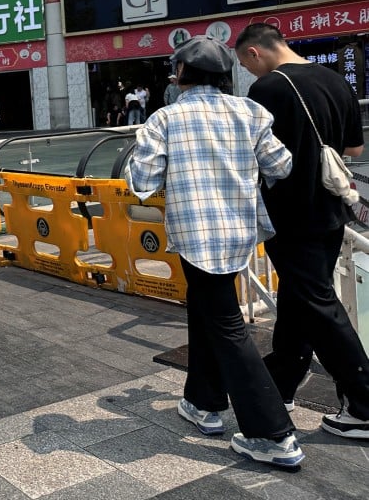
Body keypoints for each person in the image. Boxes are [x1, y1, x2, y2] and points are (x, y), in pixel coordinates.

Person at [127, 36, 303, 468]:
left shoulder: (164, 119)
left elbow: (142, 182)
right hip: (239, 232)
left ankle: (273, 434)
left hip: (194, 235)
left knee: (226, 323)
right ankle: (203, 402)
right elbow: (281, 166)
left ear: (181, 76)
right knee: (205, 308)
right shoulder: (252, 112)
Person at [234, 22, 369, 439]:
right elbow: (353, 150)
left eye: (246, 65)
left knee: (317, 304)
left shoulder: (269, 89)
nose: (250, 74)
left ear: (255, 53)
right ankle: (284, 381)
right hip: (332, 209)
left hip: (292, 214)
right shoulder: (335, 81)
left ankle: (365, 402)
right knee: (299, 297)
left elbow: (259, 157)